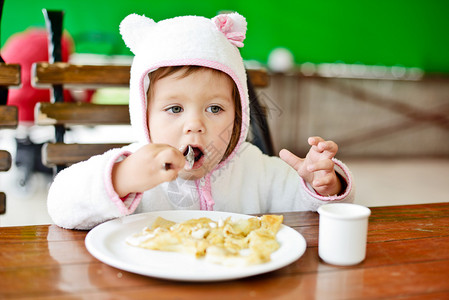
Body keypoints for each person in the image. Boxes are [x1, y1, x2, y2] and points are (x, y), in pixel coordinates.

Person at [47, 12, 355, 230]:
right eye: (175, 109)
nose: (194, 125)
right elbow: (61, 206)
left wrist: (322, 185)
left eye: (215, 109)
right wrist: (122, 178)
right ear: (144, 115)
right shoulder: (134, 168)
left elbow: (320, 214)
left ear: (239, 116)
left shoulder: (257, 169)